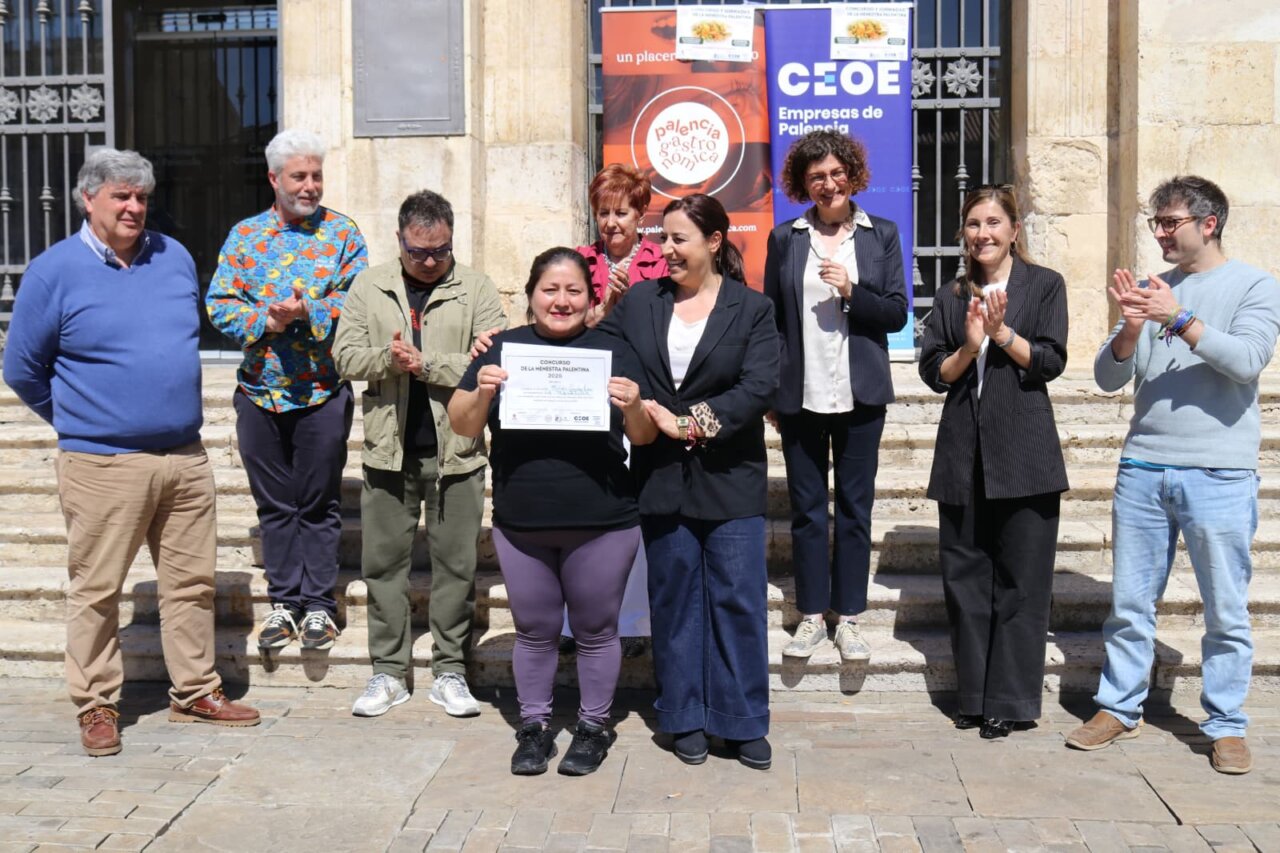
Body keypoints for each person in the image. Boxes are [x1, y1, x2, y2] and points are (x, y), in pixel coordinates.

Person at [3, 149, 259, 756]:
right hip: (101, 464)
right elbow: (22, 368)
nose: (134, 207)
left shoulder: (172, 258)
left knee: (192, 583)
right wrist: (82, 418)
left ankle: (194, 690)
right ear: (87, 200)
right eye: (120, 196)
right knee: (96, 588)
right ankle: (96, 704)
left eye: (141, 197)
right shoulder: (52, 271)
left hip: (184, 456)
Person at [1068, 176, 1280, 775]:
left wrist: (1179, 315)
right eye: (1155, 224)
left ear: (1208, 223)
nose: (1159, 233)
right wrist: (1131, 325)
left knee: (1225, 608)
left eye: (1170, 223)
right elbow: (1108, 379)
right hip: (1143, 467)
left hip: (1218, 470)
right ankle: (1118, 707)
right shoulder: (1150, 288)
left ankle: (1226, 724)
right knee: (1131, 603)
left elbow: (1246, 361)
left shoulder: (1255, 286)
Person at [449, 247, 656, 776]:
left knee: (596, 629)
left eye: (573, 291)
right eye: (550, 290)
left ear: (591, 300)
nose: (561, 301)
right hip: (523, 521)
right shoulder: (501, 348)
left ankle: (592, 727)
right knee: (535, 630)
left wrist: (632, 404)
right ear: (530, 295)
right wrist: (482, 391)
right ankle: (534, 729)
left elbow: (644, 435)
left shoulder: (614, 349)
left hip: (603, 520)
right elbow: (463, 424)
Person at [597, 193, 779, 770]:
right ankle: (684, 715)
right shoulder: (641, 305)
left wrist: (690, 422)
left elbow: (757, 387)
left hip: (731, 478)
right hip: (660, 477)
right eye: (664, 239)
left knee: (737, 600)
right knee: (674, 602)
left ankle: (742, 719)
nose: (666, 250)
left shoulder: (752, 310)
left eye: (679, 239)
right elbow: (612, 360)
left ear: (714, 243)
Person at [333, 189, 505, 718]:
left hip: (458, 449)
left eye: (440, 251)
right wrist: (390, 357)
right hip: (389, 449)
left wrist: (426, 364)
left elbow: (492, 364)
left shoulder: (476, 288)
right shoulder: (370, 284)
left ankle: (451, 670)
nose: (430, 262)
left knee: (456, 565)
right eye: (418, 252)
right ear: (400, 241)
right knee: (384, 566)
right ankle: (389, 672)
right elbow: (344, 356)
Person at [206, 129, 368, 653]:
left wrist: (308, 311)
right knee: (275, 505)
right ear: (274, 179)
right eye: (300, 176)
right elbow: (219, 304)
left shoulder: (343, 234)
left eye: (317, 175)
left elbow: (359, 302)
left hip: (322, 391)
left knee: (318, 503)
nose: (311, 185)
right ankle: (284, 603)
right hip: (260, 393)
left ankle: (319, 606)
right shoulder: (245, 236)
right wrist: (264, 322)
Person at [918, 185, 1069, 739]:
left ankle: (1011, 699)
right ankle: (975, 697)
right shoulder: (952, 293)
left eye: (993, 222)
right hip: (963, 455)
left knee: (1021, 583)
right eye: (973, 224)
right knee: (966, 582)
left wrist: (1002, 334)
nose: (983, 233)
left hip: (1025, 454)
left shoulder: (1043, 285)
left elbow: (1050, 361)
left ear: (1013, 230)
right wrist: (969, 345)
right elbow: (934, 372)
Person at [763, 130, 908, 662]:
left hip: (861, 393)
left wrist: (852, 292)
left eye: (836, 173)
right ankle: (809, 614)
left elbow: (895, 312)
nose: (828, 184)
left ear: (853, 174)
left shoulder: (880, 234)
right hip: (801, 394)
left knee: (853, 508)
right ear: (803, 185)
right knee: (806, 511)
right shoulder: (786, 238)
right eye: (815, 177)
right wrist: (772, 392)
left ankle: (847, 616)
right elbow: (773, 321)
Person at [566, 163, 669, 659]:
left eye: (621, 212)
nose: (611, 223)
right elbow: (563, 327)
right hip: (585, 399)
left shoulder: (661, 260)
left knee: (634, 512)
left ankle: (634, 624)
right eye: (603, 212)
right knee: (584, 510)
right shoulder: (578, 263)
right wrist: (606, 305)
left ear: (640, 214)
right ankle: (574, 624)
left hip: (642, 397)